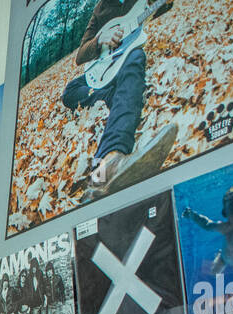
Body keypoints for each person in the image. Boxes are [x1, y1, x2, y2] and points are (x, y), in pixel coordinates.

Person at [60, 0, 177, 200]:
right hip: (105, 66)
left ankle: (109, 160)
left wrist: (165, 4)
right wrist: (99, 40)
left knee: (136, 57)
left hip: (128, 55)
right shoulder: (99, 8)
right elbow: (80, 55)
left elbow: (155, 9)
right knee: (70, 92)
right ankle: (114, 97)